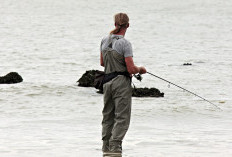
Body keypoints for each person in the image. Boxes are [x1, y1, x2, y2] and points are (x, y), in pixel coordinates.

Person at [100, 13, 146, 155]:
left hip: (107, 82)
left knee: (108, 115)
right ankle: (115, 147)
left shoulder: (104, 40)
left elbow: (102, 63)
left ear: (115, 24)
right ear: (128, 25)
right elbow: (131, 69)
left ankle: (105, 147)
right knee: (122, 116)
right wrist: (141, 70)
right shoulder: (125, 43)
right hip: (121, 83)